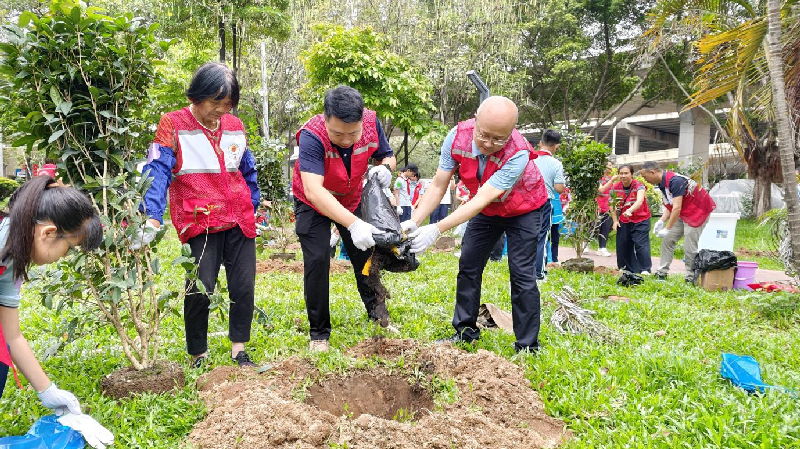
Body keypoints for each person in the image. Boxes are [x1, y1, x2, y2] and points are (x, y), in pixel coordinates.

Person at [138, 62, 260, 368]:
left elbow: (247, 169)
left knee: (243, 286)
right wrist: (152, 215)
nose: (221, 110)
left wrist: (253, 204)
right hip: (200, 219)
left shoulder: (235, 126)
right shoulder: (172, 124)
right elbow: (158, 170)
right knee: (200, 287)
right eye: (214, 102)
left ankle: (239, 348)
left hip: (239, 218)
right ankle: (199, 354)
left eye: (227, 104)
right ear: (197, 96)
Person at [403, 96, 548, 352]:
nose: (489, 144)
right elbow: (438, 184)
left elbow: (482, 198)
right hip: (488, 209)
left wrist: (437, 229)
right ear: (476, 120)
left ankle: (527, 345)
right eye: (483, 135)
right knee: (469, 263)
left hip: (524, 209)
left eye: (498, 138)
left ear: (512, 131)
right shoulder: (456, 136)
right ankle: (465, 331)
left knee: (522, 274)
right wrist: (414, 223)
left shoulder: (519, 151)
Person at [291, 85, 397, 352]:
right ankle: (319, 335)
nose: (347, 139)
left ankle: (379, 316)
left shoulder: (372, 123)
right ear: (325, 119)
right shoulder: (311, 135)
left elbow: (387, 155)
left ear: (363, 120)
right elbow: (314, 191)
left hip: (351, 196)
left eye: (354, 133)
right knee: (317, 260)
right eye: (338, 133)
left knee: (366, 258)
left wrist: (385, 169)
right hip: (313, 201)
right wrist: (353, 223)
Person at [0, 177, 103, 413]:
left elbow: (11, 336)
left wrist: (48, 391)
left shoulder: (12, 256)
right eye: (69, 249)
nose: (65, 256)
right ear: (48, 233)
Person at [640, 161, 715, 282]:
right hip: (684, 211)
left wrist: (667, 228)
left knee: (689, 246)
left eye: (645, 176)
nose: (645, 179)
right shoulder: (662, 183)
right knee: (668, 239)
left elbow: (676, 207)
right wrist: (661, 220)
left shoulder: (675, 181)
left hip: (698, 211)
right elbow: (670, 205)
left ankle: (691, 278)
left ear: (652, 172)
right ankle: (662, 273)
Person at [532, 130, 566, 281]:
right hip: (544, 203)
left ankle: (524, 271)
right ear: (557, 146)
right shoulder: (556, 164)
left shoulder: (529, 159)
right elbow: (559, 188)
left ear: (541, 143)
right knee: (542, 238)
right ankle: (538, 273)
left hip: (526, 203)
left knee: (526, 237)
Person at [609, 164, 652, 274]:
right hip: (624, 220)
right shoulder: (615, 188)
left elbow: (639, 201)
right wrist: (615, 221)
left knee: (641, 244)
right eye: (621, 173)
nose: (623, 176)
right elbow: (612, 205)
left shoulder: (639, 186)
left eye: (626, 173)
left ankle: (645, 270)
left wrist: (630, 210)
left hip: (641, 219)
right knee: (623, 244)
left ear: (632, 174)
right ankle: (626, 269)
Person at [595, 161, 616, 257]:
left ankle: (602, 248)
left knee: (606, 227)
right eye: (608, 165)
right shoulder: (598, 178)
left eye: (611, 165)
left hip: (607, 206)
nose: (610, 167)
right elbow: (601, 190)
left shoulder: (610, 179)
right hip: (597, 206)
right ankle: (585, 244)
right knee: (594, 226)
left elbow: (611, 193)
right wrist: (611, 181)